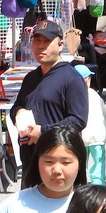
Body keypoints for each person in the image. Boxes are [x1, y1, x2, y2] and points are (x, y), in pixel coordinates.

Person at [10, 20, 89, 173]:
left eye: (47, 41)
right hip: (30, 161)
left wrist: (43, 131)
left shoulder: (71, 78)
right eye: (37, 40)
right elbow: (16, 107)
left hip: (58, 164)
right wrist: (18, 113)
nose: (41, 46)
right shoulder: (30, 78)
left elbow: (78, 120)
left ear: (60, 45)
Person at [76, 66, 106, 186]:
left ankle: (81, 182)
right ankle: (98, 184)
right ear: (87, 80)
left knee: (81, 161)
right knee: (98, 162)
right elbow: (105, 113)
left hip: (82, 137)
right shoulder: (94, 95)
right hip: (97, 137)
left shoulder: (74, 96)